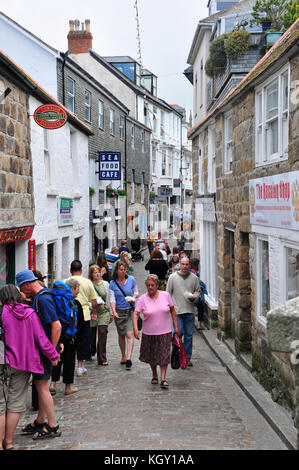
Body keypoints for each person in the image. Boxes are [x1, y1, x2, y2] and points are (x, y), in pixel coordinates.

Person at [0, 284, 59, 449]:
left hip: (2, 362)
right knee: (15, 403)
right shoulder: (29, 313)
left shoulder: (1, 312)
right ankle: (9, 442)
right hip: (22, 364)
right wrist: (53, 355)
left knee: (0, 404)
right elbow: (41, 338)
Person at [16, 269, 62, 440]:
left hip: (45, 351)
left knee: (42, 387)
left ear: (27, 284)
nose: (21, 290)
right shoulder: (40, 297)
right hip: (44, 350)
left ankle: (53, 425)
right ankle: (41, 420)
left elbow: (56, 325)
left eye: (21, 286)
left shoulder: (43, 299)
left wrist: (52, 350)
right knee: (40, 385)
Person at [132, 274, 179, 389]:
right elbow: (136, 314)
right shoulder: (142, 299)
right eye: (148, 285)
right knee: (151, 356)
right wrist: (135, 329)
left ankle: (163, 378)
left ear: (157, 285)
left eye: (152, 285)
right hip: (149, 332)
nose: (150, 287)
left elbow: (172, 310)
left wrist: (176, 326)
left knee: (163, 355)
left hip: (165, 331)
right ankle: (154, 374)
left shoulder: (166, 295)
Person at [64, 260, 98, 377]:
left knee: (69, 340)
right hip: (84, 314)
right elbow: (94, 301)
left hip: (69, 315)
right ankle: (80, 366)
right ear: (81, 270)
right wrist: (94, 313)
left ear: (70, 270)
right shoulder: (87, 282)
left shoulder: (65, 282)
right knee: (83, 340)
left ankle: (67, 365)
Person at [166, 257, 201, 367]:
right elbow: (168, 293)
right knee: (178, 333)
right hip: (177, 311)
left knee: (189, 336)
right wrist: (169, 307)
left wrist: (194, 297)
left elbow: (198, 291)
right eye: (183, 264)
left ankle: (187, 357)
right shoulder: (173, 277)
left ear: (189, 265)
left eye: (187, 264)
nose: (185, 266)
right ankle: (176, 354)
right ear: (179, 265)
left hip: (189, 310)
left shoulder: (194, 278)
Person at [49, 278, 80, 396]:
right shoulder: (70, 301)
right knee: (69, 360)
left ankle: (52, 384)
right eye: (77, 289)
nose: (78, 292)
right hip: (69, 334)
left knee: (57, 358)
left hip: (57, 333)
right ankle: (68, 387)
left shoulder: (55, 298)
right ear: (71, 289)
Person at [109, 262, 138, 370]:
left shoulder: (131, 279)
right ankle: (123, 356)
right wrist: (113, 311)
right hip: (119, 311)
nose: (123, 271)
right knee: (121, 334)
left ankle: (129, 358)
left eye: (124, 269)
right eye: (121, 269)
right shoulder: (112, 284)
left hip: (130, 310)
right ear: (116, 271)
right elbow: (112, 299)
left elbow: (136, 291)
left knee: (129, 334)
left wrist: (133, 298)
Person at [88, 265, 113, 366]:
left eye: (98, 272)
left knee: (102, 333)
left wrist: (111, 312)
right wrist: (92, 305)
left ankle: (102, 358)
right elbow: (87, 300)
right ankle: (90, 351)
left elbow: (109, 298)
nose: (97, 274)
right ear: (91, 274)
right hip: (92, 313)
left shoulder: (106, 284)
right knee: (92, 335)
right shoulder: (89, 285)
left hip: (104, 312)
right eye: (95, 272)